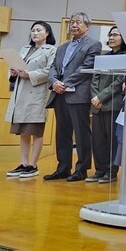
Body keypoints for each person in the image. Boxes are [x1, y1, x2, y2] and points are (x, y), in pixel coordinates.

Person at [44, 12, 101, 182]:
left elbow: (86, 67)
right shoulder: (62, 47)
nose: (74, 25)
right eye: (71, 22)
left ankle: (82, 169)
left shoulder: (93, 44)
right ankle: (63, 168)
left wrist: (65, 83)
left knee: (81, 133)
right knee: (62, 133)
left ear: (87, 26)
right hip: (59, 94)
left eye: (78, 22)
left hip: (78, 94)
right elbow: (53, 67)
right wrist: (54, 82)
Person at [4, 21, 57, 179]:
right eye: (33, 30)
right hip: (20, 94)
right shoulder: (25, 49)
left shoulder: (51, 50)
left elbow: (50, 70)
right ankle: (24, 163)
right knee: (23, 132)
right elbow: (14, 67)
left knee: (35, 131)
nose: (35, 33)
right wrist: (13, 73)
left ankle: (33, 165)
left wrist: (30, 74)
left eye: (39, 30)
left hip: (36, 94)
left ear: (47, 33)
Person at [89, 25, 126, 183]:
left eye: (115, 35)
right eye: (110, 35)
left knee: (112, 139)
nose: (111, 38)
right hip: (97, 104)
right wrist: (95, 97)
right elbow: (95, 78)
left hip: (114, 103)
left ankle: (111, 172)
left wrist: (101, 96)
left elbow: (120, 81)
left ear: (123, 38)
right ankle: (99, 169)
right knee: (97, 139)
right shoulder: (103, 56)